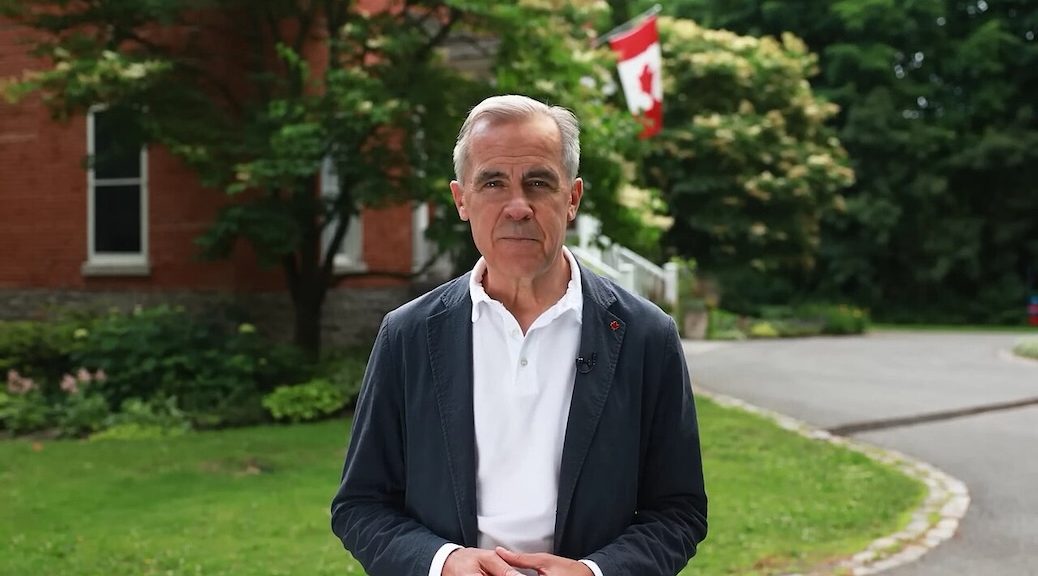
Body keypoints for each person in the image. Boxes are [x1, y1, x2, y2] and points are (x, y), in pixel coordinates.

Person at [330, 95, 707, 576]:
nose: (517, 207)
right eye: (492, 183)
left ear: (572, 198)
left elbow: (678, 511)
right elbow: (360, 504)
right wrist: (443, 562)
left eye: (538, 183)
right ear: (461, 199)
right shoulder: (408, 335)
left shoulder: (645, 335)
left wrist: (595, 572)